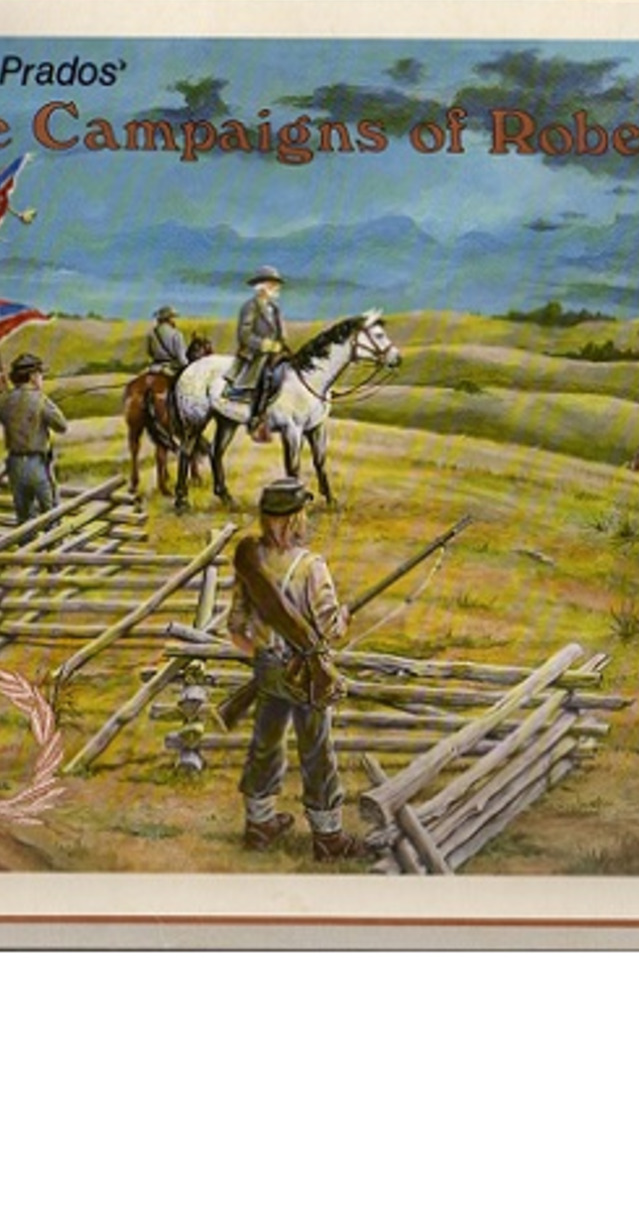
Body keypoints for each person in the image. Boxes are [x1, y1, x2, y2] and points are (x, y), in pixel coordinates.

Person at [226, 477, 368, 863]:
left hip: (268, 668)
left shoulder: (251, 561)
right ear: (295, 518)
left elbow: (236, 629)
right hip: (306, 673)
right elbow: (329, 629)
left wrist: (266, 658)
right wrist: (344, 617)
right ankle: (328, 836)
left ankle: (259, 824)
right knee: (316, 749)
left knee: (266, 743)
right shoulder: (311, 566)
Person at [0, 351, 67, 523]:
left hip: (15, 464)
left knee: (24, 519)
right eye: (40, 374)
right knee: (51, 516)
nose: (42, 379)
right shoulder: (40, 399)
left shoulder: (6, 399)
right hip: (37, 464)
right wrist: (45, 401)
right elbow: (61, 426)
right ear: (33, 376)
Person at [225, 264, 288, 439]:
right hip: (255, 355)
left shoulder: (275, 308)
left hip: (276, 353)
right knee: (264, 377)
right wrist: (264, 345)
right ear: (262, 287)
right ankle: (256, 419)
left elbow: (282, 333)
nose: (277, 287)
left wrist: (281, 344)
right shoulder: (250, 306)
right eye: (272, 284)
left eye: (276, 284)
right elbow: (244, 334)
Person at [146, 305, 189, 373]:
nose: (175, 320)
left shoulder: (151, 334)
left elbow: (150, 352)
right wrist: (188, 364)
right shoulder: (176, 334)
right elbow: (182, 359)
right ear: (169, 318)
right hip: (172, 369)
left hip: (154, 368)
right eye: (173, 317)